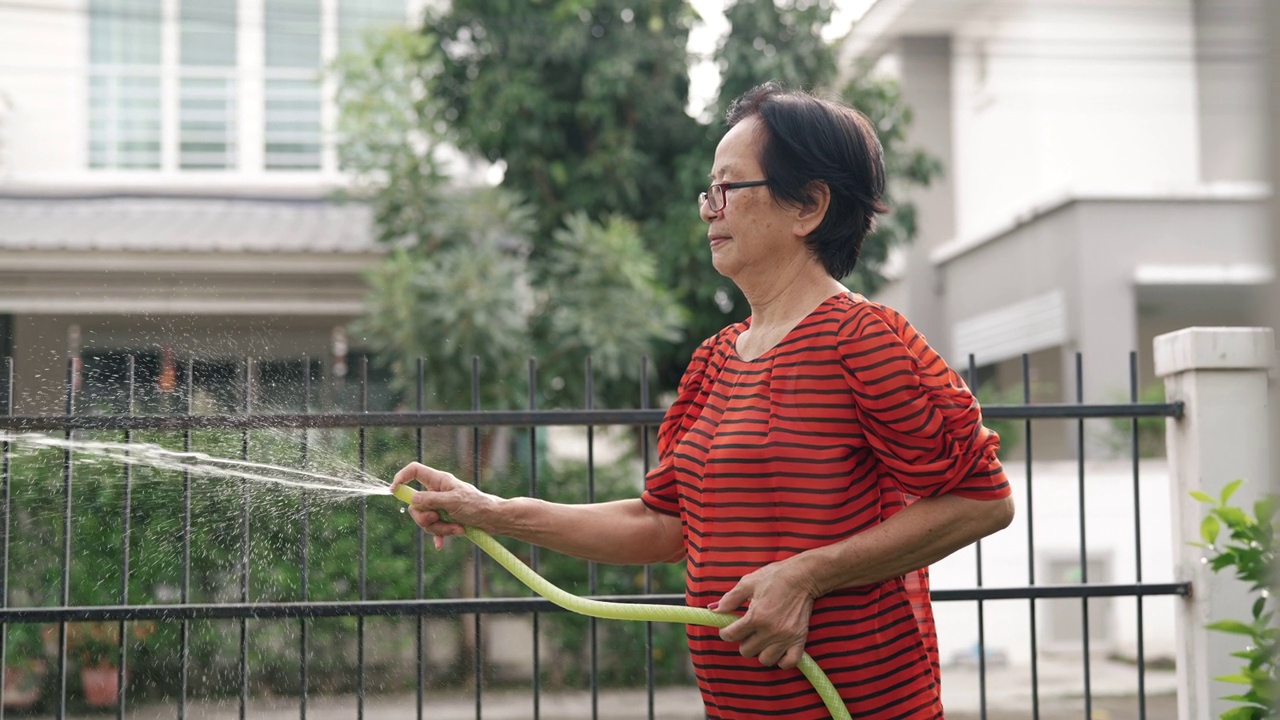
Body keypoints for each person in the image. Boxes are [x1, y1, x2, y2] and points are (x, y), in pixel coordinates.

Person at [392, 82, 1015, 719]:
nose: (708, 210)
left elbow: (981, 501)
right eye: (706, 192)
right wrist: (491, 511)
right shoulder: (714, 361)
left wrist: (808, 575)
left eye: (728, 188)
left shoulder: (866, 341)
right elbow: (663, 526)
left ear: (808, 206)